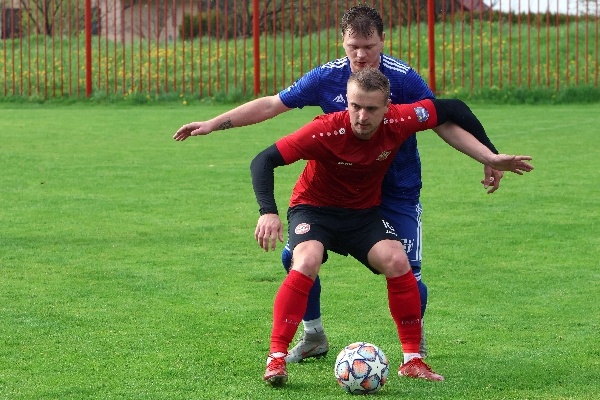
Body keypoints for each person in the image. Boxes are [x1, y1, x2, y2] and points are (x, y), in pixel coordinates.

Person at [174, 4, 504, 363]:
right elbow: (271, 104)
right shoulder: (326, 77)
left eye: (369, 46)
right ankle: (313, 334)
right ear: (342, 42)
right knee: (295, 258)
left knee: (406, 269)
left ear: (382, 41)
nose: (361, 55)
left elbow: (442, 118)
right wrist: (214, 123)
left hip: (396, 188)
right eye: (353, 47)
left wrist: (488, 155)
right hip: (334, 193)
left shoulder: (403, 79)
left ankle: (414, 350)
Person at [250, 68, 533, 387]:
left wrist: (491, 155)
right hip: (315, 210)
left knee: (398, 261)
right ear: (347, 102)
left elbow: (453, 108)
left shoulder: (402, 119)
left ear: (388, 107)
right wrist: (268, 211)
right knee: (306, 260)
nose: (362, 116)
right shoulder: (324, 130)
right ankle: (276, 358)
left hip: (363, 213)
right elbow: (263, 160)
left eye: (371, 108)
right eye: (355, 106)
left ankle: (412, 360)